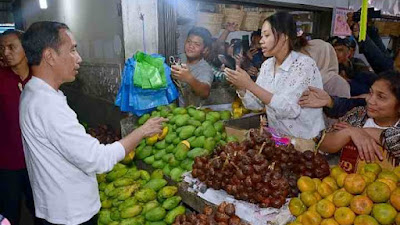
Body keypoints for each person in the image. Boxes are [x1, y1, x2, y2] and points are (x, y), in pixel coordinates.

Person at [19, 21, 166, 225]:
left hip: (54, 205)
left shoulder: (32, 92)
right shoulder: (47, 105)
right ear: (49, 56)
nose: (78, 58)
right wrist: (141, 132)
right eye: (72, 50)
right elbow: (98, 159)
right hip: (71, 215)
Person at [225, 12, 325, 140]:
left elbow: (289, 109)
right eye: (262, 36)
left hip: (305, 143)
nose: (261, 41)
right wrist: (242, 87)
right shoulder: (267, 65)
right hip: (279, 142)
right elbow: (257, 104)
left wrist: (250, 84)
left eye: (266, 35)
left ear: (284, 37)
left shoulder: (304, 65)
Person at [313, 70, 400, 163]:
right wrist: (349, 132)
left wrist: (357, 131)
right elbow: (322, 143)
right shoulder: (359, 114)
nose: (370, 100)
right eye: (371, 93)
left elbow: (396, 140)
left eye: (381, 97)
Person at [0, 30, 40, 225]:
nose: (6, 52)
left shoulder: (39, 78)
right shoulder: (1, 78)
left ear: (25, 48)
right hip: (7, 163)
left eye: (11, 47)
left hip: (38, 162)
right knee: (9, 213)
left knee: (40, 211)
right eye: (2, 48)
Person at [171, 26, 214, 106]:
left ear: (205, 50)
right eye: (189, 42)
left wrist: (189, 78)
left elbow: (205, 92)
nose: (191, 46)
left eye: (197, 44)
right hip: (174, 109)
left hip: (191, 113)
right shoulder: (179, 58)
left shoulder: (204, 69)